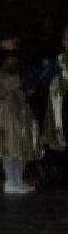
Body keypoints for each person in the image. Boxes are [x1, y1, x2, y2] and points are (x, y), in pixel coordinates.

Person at [0, 42, 43, 194]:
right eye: (11, 58)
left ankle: (18, 180)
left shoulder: (12, 75)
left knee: (21, 148)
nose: (14, 61)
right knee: (9, 148)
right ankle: (10, 181)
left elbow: (20, 94)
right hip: (4, 115)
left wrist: (28, 89)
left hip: (19, 114)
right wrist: (13, 85)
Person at [39, 23, 68, 187]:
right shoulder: (59, 60)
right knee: (57, 139)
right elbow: (46, 81)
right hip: (59, 107)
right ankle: (54, 176)